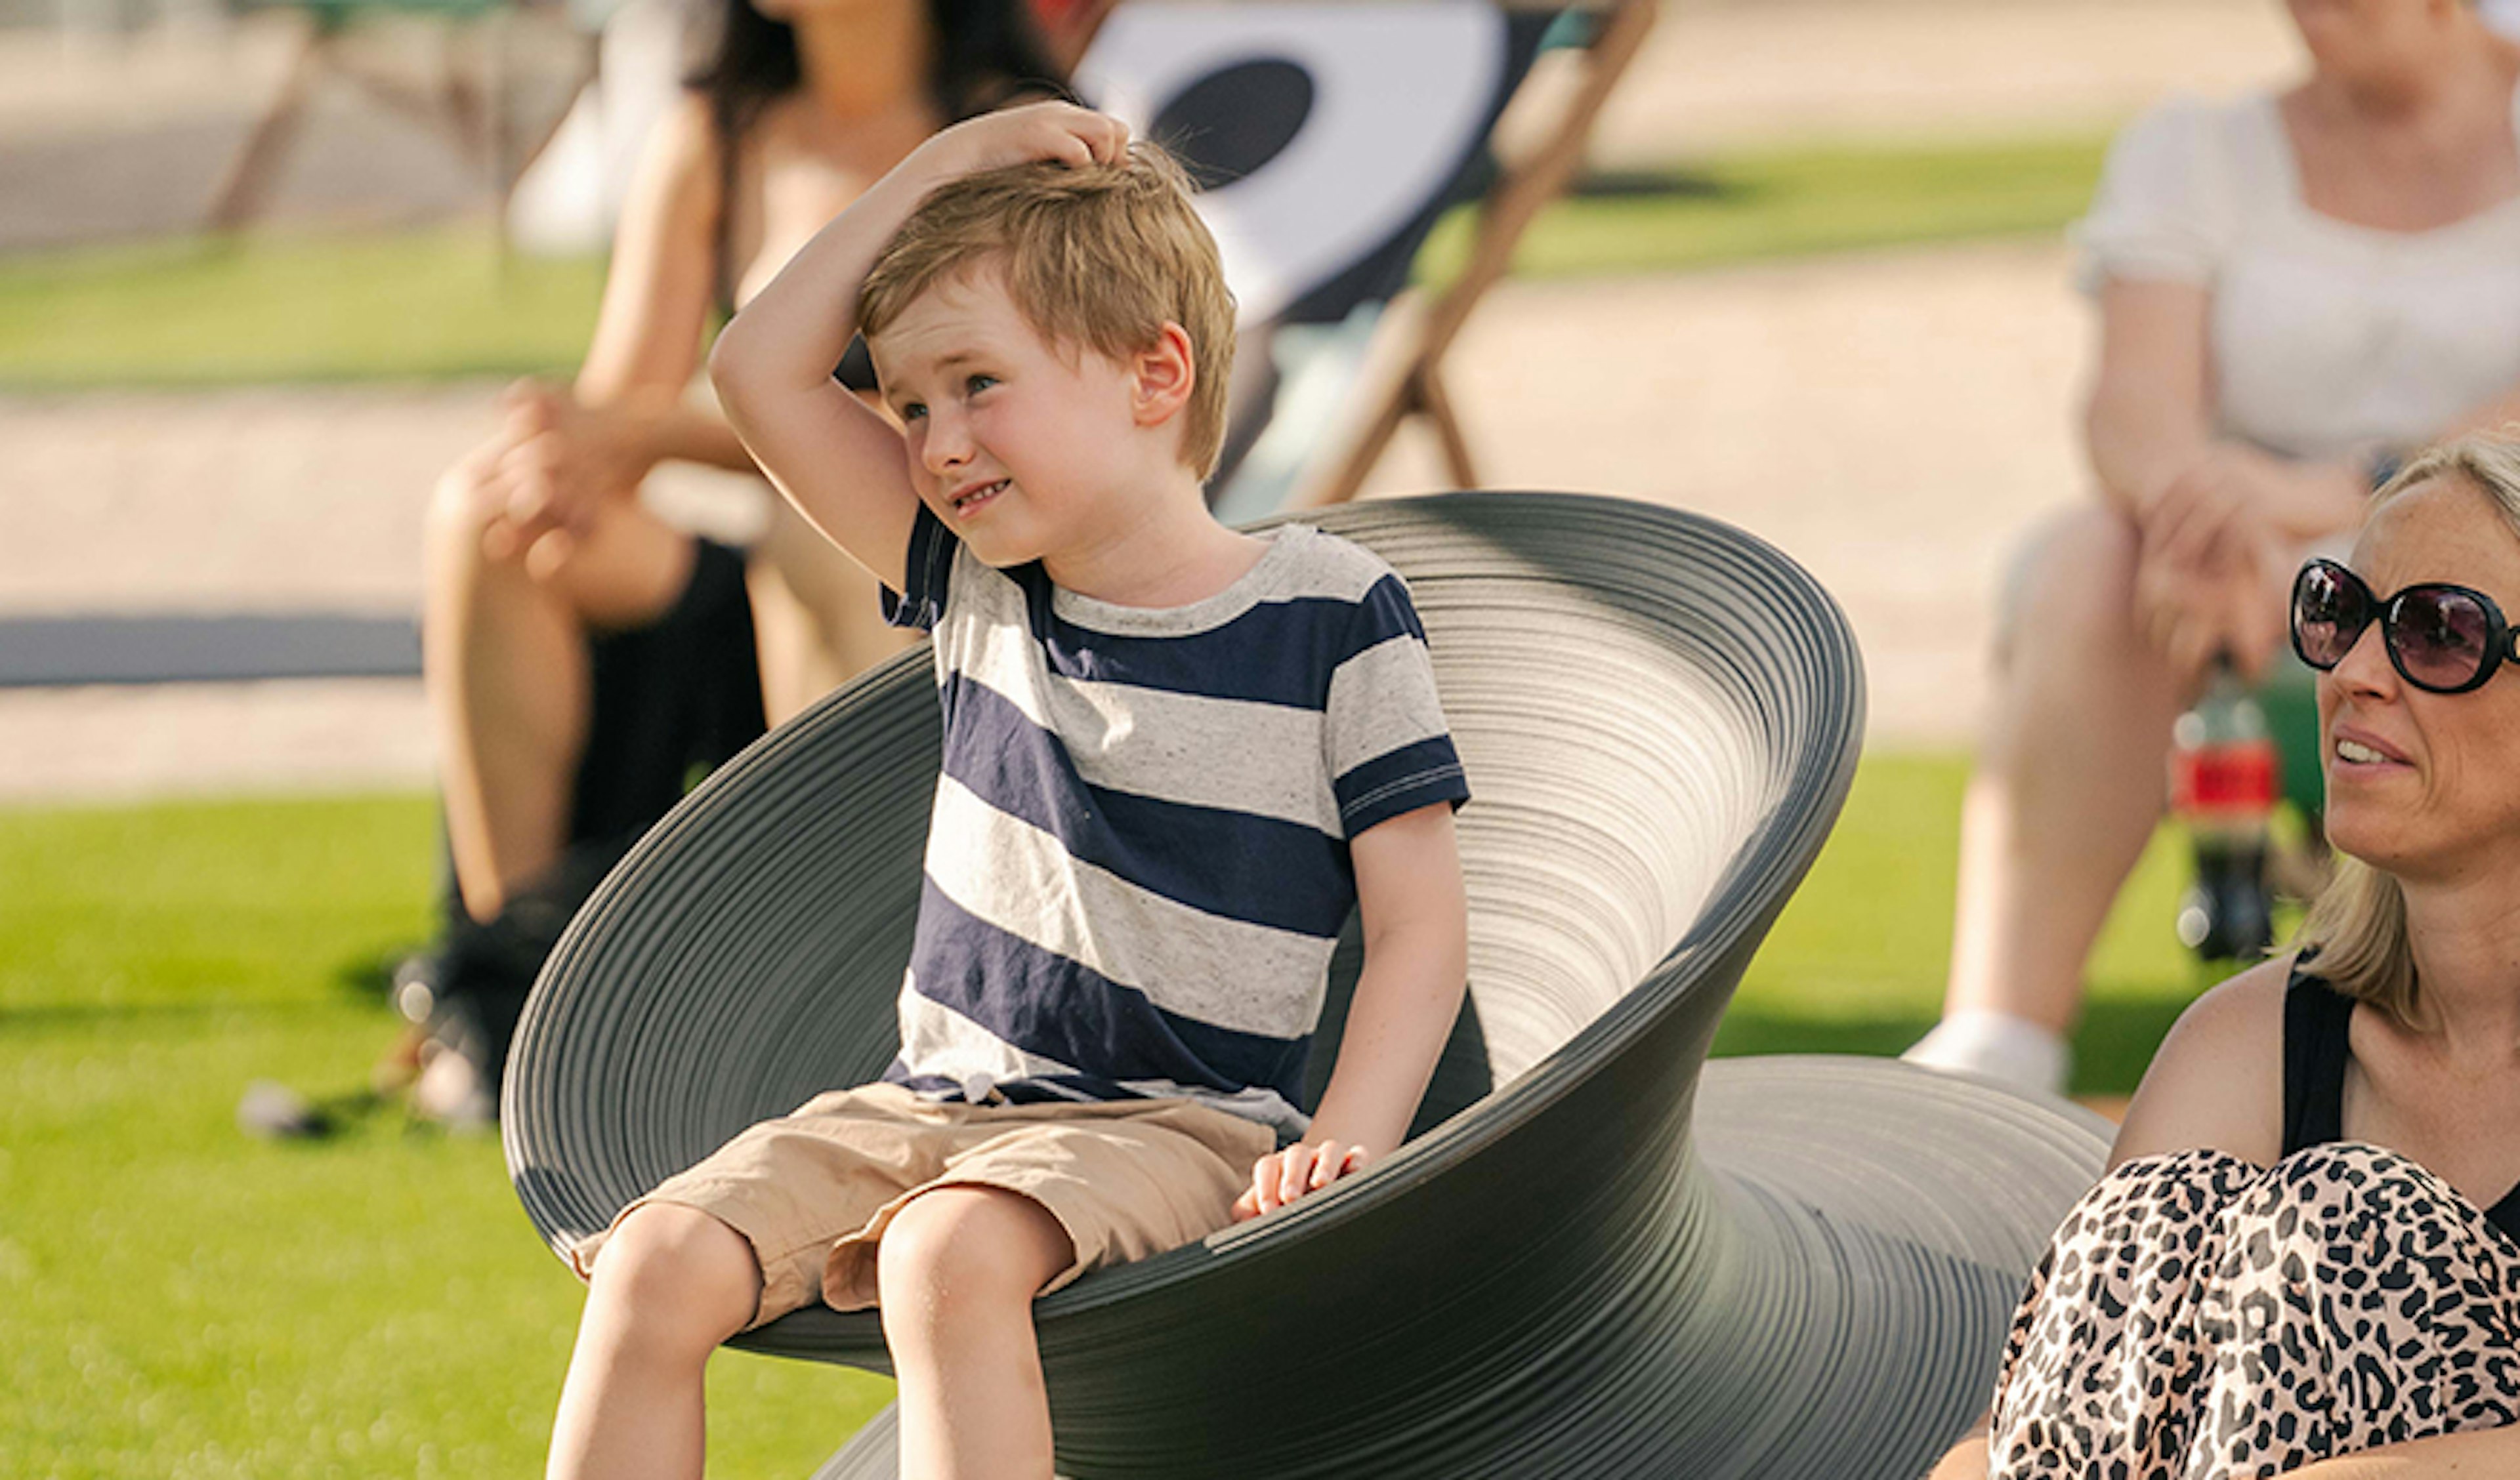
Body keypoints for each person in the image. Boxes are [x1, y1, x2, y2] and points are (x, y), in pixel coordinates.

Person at [542, 104, 1476, 1480]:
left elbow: (1418, 928)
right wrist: (937, 168)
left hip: (1181, 1125)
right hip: (933, 1106)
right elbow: (756, 369)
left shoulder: (1333, 612)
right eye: (911, 405)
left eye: (978, 384)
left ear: (1155, 374)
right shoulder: (978, 586)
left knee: (943, 1253)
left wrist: (1346, 1145)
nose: (934, 442)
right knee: (654, 1262)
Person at [404, 0, 1063, 1120]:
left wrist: (649, 432)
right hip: (750, 597)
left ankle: (868, 1000)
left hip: (930, 592)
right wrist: (562, 456)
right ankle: (513, 1001)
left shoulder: (998, 136)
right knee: (487, 517)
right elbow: (622, 413)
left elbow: (966, 432)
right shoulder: (717, 134)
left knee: (808, 539)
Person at [1906, 0, 2520, 1094]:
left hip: (2484, 549)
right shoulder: (2197, 150)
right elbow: (2131, 401)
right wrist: (2194, 512)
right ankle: (1998, 1041)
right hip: (2245, 567)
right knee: (2091, 557)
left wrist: (2337, 491)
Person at [1928, 435, 2520, 1479]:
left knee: (2353, 1231)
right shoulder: (2259, 1039)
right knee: (2162, 1221)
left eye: (2437, 634)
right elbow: (2056, 1422)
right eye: (2341, 612)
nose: (2358, 674)